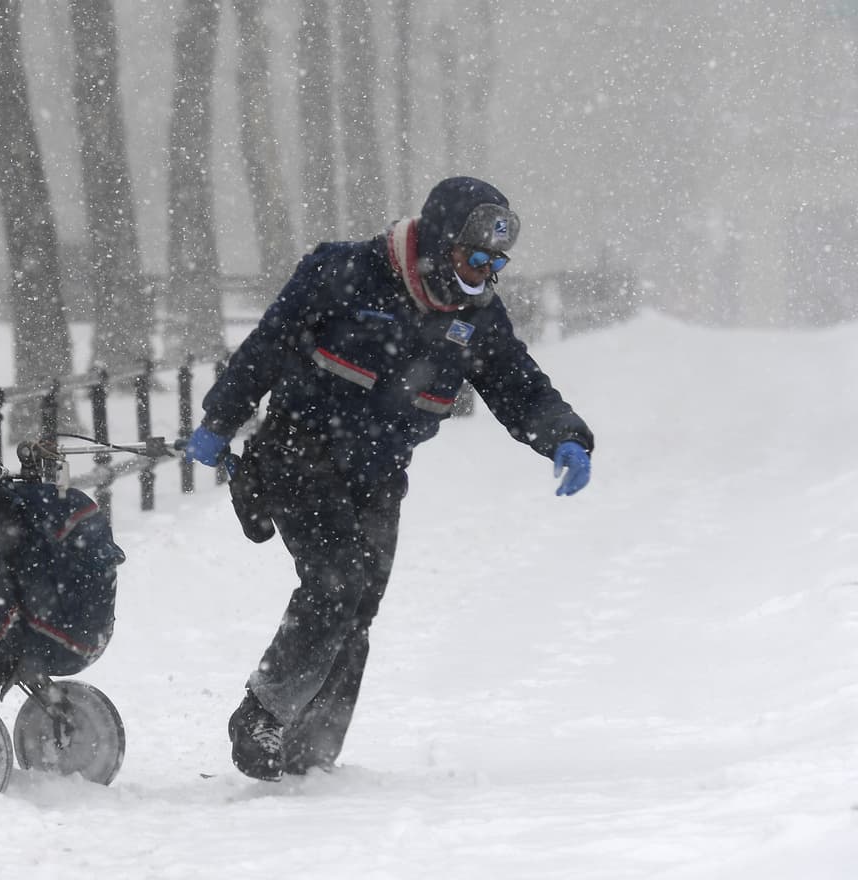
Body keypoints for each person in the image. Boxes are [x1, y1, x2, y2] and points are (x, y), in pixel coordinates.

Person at [183, 176, 594, 781]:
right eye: (471, 257)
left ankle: (310, 750)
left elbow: (518, 385)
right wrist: (220, 417)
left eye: (494, 263)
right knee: (336, 581)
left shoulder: (477, 317)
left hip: (378, 471)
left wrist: (564, 435)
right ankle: (263, 714)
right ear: (437, 242)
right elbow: (268, 344)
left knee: (360, 604)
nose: (483, 273)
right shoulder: (345, 272)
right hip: (299, 452)